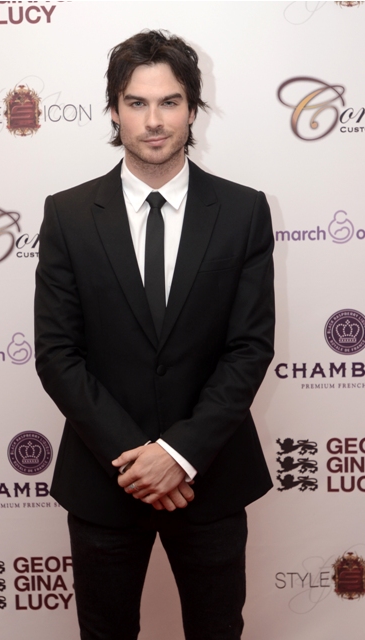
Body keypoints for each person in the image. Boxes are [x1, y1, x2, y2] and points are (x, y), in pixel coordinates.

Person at [35, 29, 274, 640]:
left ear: (193, 109)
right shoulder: (67, 214)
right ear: (114, 110)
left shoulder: (244, 211)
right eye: (136, 103)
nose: (154, 121)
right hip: (105, 477)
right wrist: (138, 460)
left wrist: (179, 455)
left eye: (169, 102)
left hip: (210, 477)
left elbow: (249, 347)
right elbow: (57, 354)